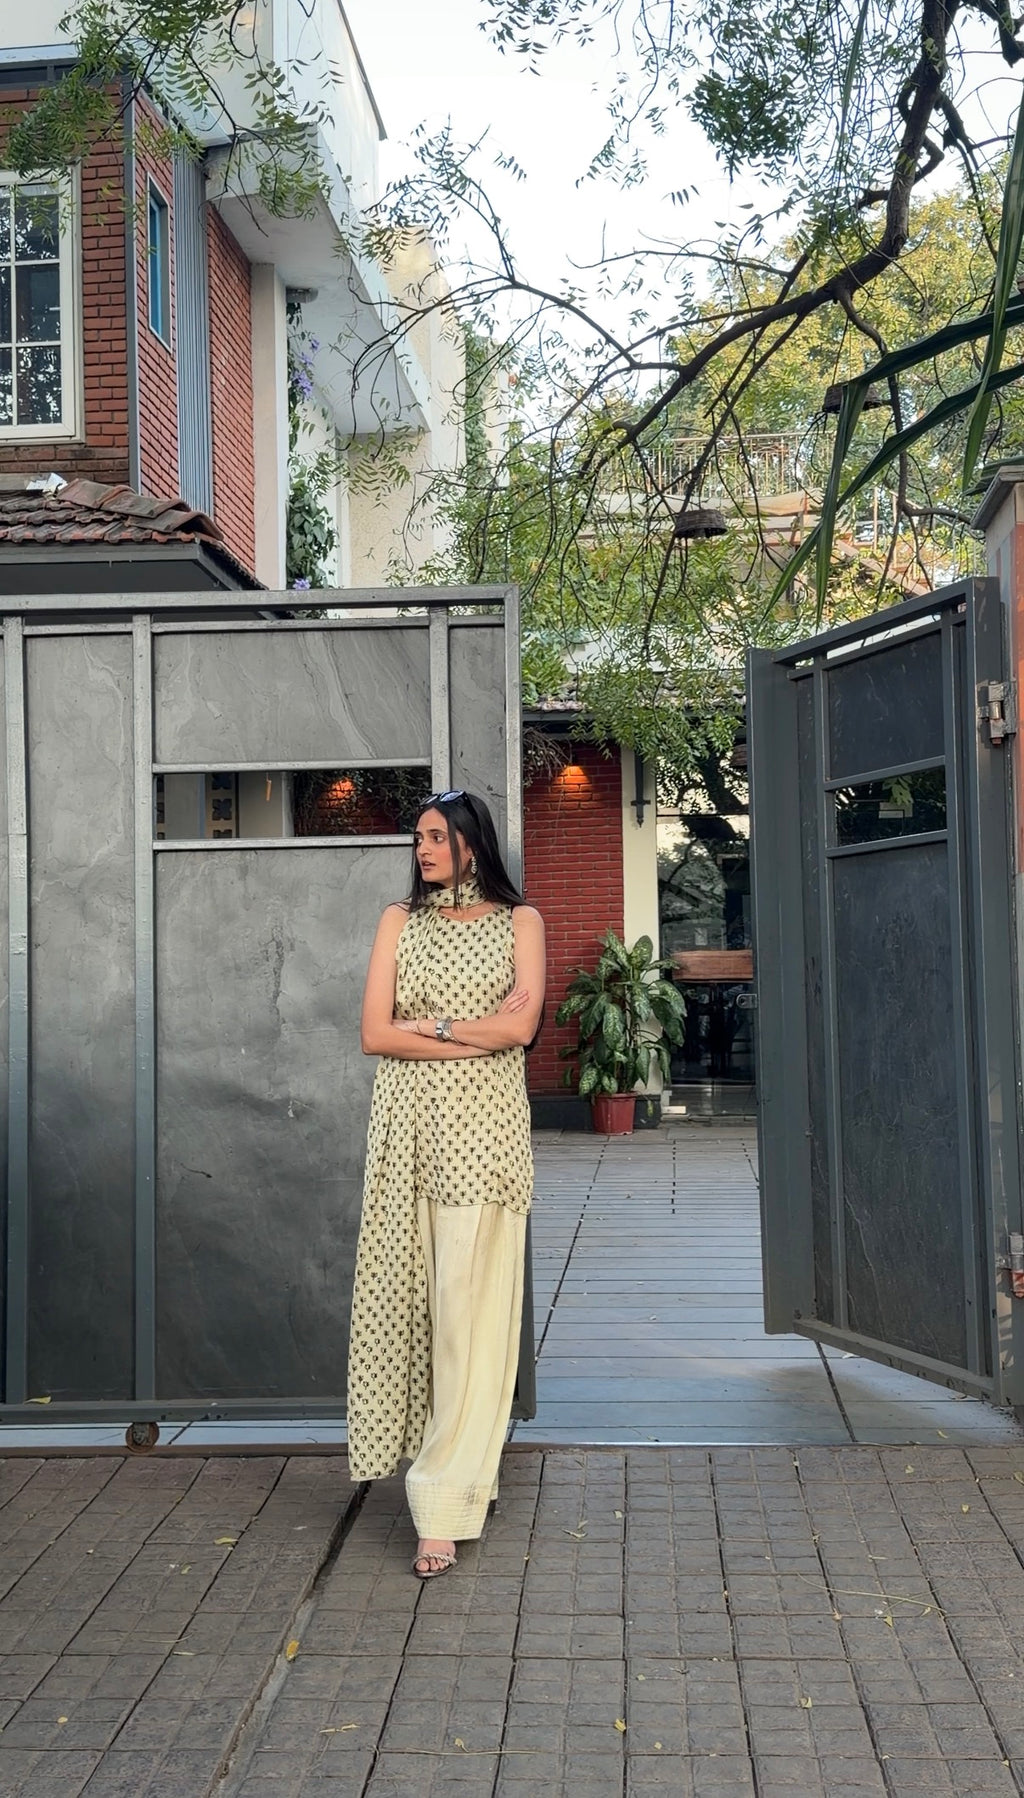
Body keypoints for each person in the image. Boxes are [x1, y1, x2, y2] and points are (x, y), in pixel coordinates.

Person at [346, 789, 546, 1579]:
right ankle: (468, 1473)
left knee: (471, 1320)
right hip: (406, 1138)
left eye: (436, 837)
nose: (423, 851)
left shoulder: (518, 922)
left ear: (472, 844)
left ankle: (440, 1505)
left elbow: (521, 1030)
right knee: (413, 1315)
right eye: (419, 838)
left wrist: (421, 1028)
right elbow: (372, 1033)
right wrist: (466, 1031)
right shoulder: (400, 922)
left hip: (486, 1142)